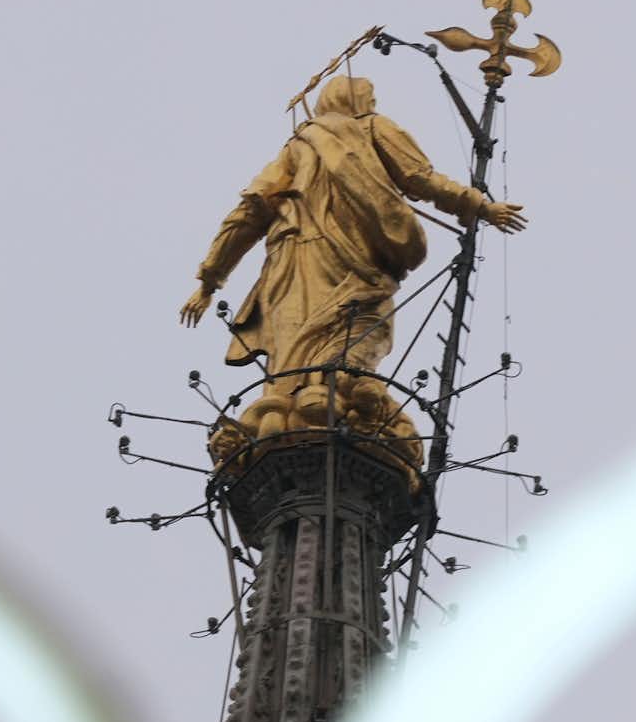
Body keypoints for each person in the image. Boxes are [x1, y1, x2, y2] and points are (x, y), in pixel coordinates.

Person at [180, 73, 522, 457]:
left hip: (289, 261)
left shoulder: (297, 147)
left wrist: (209, 281)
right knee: (354, 336)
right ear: (361, 102)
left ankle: (290, 412)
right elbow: (418, 177)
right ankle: (321, 405)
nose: (372, 105)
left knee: (294, 358)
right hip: (354, 262)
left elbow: (249, 211)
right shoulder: (372, 127)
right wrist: (480, 205)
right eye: (370, 98)